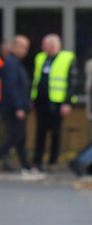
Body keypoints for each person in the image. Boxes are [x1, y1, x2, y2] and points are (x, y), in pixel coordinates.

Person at [0, 36, 44, 180]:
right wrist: (18, 107)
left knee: (20, 138)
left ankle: (26, 167)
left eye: (27, 47)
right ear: (13, 47)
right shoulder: (10, 63)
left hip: (17, 106)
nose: (25, 50)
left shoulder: (15, 63)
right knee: (15, 137)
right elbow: (11, 87)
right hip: (14, 107)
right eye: (22, 47)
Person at [30, 34, 78, 172]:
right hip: (41, 101)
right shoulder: (40, 58)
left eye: (44, 45)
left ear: (53, 45)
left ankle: (53, 162)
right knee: (40, 132)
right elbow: (36, 80)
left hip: (57, 102)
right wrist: (33, 99)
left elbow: (72, 83)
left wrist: (67, 102)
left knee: (55, 133)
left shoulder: (67, 58)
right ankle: (37, 161)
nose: (42, 48)